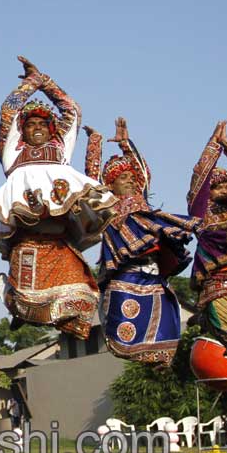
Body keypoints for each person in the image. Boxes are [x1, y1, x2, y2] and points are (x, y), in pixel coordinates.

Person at [0, 56, 116, 340]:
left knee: (83, 301)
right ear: (23, 131)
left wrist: (44, 80)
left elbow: (72, 110)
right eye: (30, 125)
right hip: (29, 242)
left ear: (52, 130)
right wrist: (31, 84)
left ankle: (57, 327)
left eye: (43, 125)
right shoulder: (13, 155)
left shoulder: (61, 152)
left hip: (59, 245)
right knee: (26, 305)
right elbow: (8, 110)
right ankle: (1, 286)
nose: (37, 129)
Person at [85, 118, 199, 365]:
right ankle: (134, 351)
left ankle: (159, 357)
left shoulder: (141, 200)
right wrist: (94, 143)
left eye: (130, 177)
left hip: (153, 271)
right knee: (123, 317)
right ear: (111, 184)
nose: (130, 180)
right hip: (125, 272)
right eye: (123, 177)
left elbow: (143, 172)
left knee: (164, 314)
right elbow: (91, 184)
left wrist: (126, 143)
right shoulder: (108, 205)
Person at [188, 121, 227, 356]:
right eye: (217, 188)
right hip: (222, 287)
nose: (223, 191)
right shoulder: (203, 211)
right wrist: (214, 146)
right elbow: (199, 181)